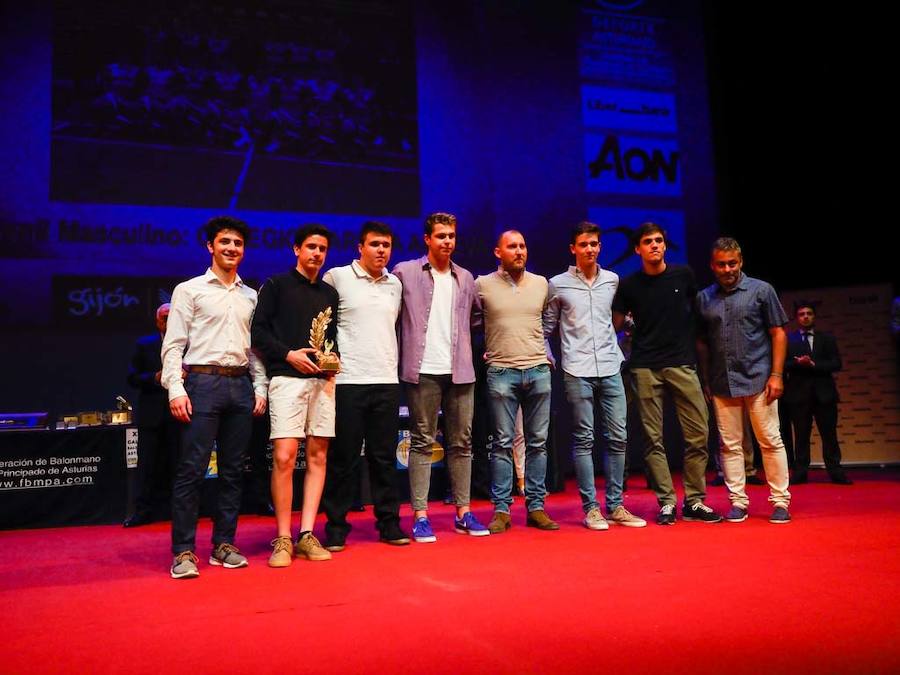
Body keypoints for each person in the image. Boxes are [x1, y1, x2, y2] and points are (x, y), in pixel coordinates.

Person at [162, 215, 268, 579]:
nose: (231, 249)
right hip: (202, 384)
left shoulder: (251, 296)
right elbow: (173, 345)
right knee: (191, 470)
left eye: (238, 244)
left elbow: (254, 350)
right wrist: (175, 388)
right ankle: (183, 551)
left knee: (233, 471)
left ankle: (224, 544)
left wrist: (261, 387)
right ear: (210, 246)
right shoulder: (189, 290)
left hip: (240, 385)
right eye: (225, 242)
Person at [612, 223, 721, 525]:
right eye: (648, 242)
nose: (655, 246)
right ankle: (666, 503)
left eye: (659, 240)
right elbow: (616, 325)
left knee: (698, 434)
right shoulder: (630, 285)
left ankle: (695, 501)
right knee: (653, 439)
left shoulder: (683, 275)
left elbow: (699, 316)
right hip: (645, 366)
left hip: (682, 364)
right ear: (638, 249)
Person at [393, 212, 489, 542]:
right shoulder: (405, 272)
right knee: (422, 441)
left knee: (462, 442)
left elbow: (477, 318)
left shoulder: (465, 277)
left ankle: (463, 511)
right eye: (441, 236)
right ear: (427, 239)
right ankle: (421, 515)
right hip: (422, 370)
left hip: (460, 370)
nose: (447, 241)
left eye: (451, 235)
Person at [544, 222, 646, 529]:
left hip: (611, 365)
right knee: (584, 439)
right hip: (577, 368)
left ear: (600, 247)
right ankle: (591, 508)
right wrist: (549, 357)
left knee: (618, 437)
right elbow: (547, 327)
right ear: (573, 248)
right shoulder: (557, 284)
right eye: (584, 244)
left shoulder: (613, 281)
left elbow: (619, 320)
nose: (590, 249)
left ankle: (615, 505)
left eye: (595, 244)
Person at [251, 224, 341, 568]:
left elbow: (331, 338)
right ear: (296, 250)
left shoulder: (329, 294)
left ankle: (306, 534)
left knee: (318, 457)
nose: (317, 253)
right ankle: (283, 537)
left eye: (322, 248)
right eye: (311, 247)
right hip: (286, 380)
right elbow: (257, 332)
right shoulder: (276, 285)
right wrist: (288, 354)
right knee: (285, 457)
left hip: (322, 382)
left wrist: (335, 360)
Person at [322, 221, 410, 550]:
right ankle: (335, 527)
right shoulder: (338, 277)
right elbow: (321, 327)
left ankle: (389, 524)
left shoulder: (395, 285)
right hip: (347, 382)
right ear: (360, 247)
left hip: (386, 381)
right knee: (344, 459)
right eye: (375, 244)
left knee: (384, 458)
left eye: (386, 245)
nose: (381, 250)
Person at [696, 237, 792, 523]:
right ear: (713, 265)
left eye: (732, 263)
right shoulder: (704, 297)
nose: (728, 269)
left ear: (741, 262)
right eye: (721, 264)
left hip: (760, 377)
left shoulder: (761, 290)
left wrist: (776, 375)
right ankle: (738, 501)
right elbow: (701, 342)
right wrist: (705, 378)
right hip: (722, 380)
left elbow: (778, 333)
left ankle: (780, 502)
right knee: (729, 445)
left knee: (770, 441)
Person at [476, 230, 558, 533]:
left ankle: (536, 507)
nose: (519, 251)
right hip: (501, 371)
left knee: (538, 443)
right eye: (512, 246)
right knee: (501, 444)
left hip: (537, 370)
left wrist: (544, 352)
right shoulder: (482, 284)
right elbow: (473, 320)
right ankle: (501, 510)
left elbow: (548, 321)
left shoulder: (541, 284)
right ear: (498, 252)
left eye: (523, 245)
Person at [784, 302, 852, 484]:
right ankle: (800, 473)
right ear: (796, 318)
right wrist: (798, 363)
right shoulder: (788, 340)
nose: (805, 316)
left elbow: (836, 363)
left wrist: (814, 364)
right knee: (801, 436)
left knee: (829, 435)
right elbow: (782, 365)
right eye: (801, 314)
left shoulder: (827, 338)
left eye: (809, 313)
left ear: (814, 316)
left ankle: (836, 472)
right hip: (799, 395)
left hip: (824, 394)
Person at [125, 303, 178, 527]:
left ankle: (181, 512)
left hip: (180, 415)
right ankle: (142, 511)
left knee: (180, 465)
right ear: (157, 321)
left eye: (172, 317)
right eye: (164, 318)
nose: (168, 322)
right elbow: (132, 378)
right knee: (146, 466)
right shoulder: (144, 344)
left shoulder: (189, 344)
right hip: (151, 414)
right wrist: (154, 378)